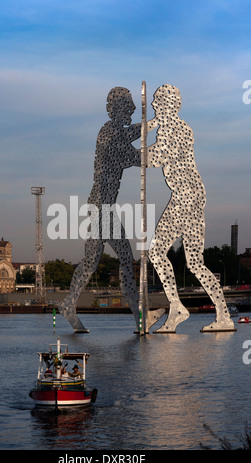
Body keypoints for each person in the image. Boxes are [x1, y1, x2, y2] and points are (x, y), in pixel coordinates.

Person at [146, 84, 235, 333]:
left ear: (169, 105)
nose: (153, 105)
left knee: (156, 252)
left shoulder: (174, 128)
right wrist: (150, 125)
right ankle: (222, 316)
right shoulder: (177, 127)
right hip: (192, 195)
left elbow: (156, 157)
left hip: (185, 196)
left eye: (157, 102)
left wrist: (128, 156)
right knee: (195, 262)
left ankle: (177, 307)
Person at [58, 87, 143, 332]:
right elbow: (134, 157)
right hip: (101, 209)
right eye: (129, 106)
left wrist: (152, 124)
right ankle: (140, 318)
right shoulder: (108, 133)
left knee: (89, 263)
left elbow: (129, 135)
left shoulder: (113, 131)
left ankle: (68, 305)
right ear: (117, 109)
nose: (134, 109)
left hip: (100, 207)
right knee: (126, 259)